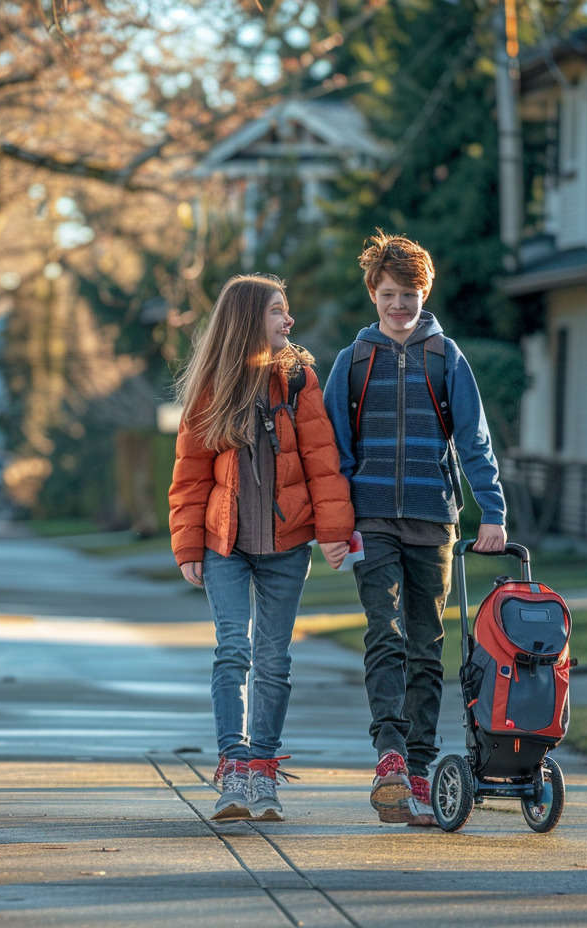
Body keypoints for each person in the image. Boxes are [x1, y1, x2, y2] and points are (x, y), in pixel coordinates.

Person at [322, 232, 507, 827]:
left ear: (426, 294)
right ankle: (390, 759)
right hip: (370, 521)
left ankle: (421, 771)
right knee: (386, 634)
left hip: (435, 520)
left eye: (411, 295)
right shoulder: (352, 363)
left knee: (427, 647)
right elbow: (332, 452)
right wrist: (332, 524)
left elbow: (474, 442)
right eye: (390, 294)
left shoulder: (445, 357)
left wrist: (493, 514)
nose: (400, 306)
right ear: (373, 294)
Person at [169, 273, 354, 822]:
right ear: (250, 319)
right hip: (225, 544)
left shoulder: (300, 380)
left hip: (287, 544)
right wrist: (188, 546)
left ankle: (263, 771)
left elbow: (324, 463)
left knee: (274, 659)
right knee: (233, 650)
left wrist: (334, 535)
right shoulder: (211, 387)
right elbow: (189, 476)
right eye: (277, 311)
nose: (288, 321)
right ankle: (233, 766)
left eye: (287, 311)